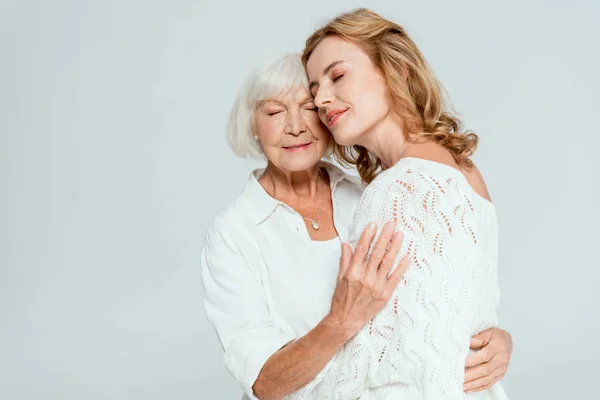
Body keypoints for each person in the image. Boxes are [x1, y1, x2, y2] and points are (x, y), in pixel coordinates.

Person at [201, 53, 512, 400]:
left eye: (309, 108)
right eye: (274, 112)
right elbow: (265, 383)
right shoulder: (234, 233)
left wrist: (491, 338)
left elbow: (433, 302)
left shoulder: (374, 194)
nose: (295, 126)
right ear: (252, 127)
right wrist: (340, 321)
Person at [291, 7, 510, 399]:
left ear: (396, 70)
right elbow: (462, 324)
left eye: (337, 76)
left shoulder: (397, 189)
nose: (322, 99)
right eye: (313, 90)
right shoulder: (465, 171)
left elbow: (372, 364)